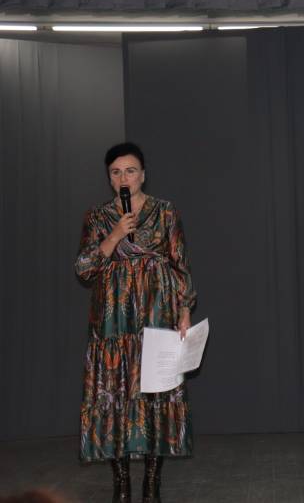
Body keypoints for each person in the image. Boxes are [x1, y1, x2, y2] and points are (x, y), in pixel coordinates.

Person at [75, 143, 196, 503]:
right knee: (113, 396)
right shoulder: (97, 217)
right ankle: (122, 482)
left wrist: (185, 309)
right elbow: (84, 269)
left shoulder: (165, 212)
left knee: (155, 395)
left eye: (130, 170)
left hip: (156, 314)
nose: (123, 178)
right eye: (116, 172)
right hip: (113, 322)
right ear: (109, 178)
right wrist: (114, 235)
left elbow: (179, 264)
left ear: (143, 174)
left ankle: (152, 482)